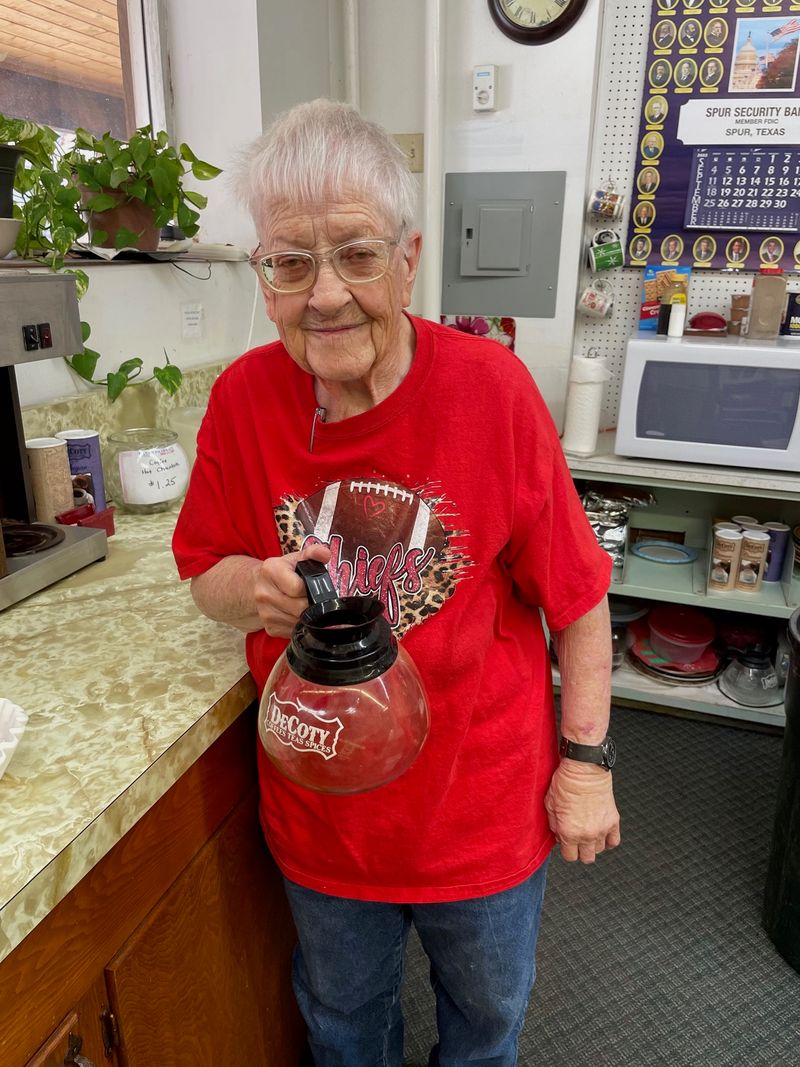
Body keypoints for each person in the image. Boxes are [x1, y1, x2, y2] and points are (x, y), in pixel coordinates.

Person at [172, 99, 620, 1067]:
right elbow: (202, 569)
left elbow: (578, 601)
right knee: (342, 1029)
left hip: (481, 816)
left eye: (356, 255)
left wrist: (584, 763)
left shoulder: (490, 393)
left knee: (484, 1031)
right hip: (323, 824)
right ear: (265, 277)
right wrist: (254, 585)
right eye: (290, 263)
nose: (324, 293)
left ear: (408, 259)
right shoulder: (242, 401)